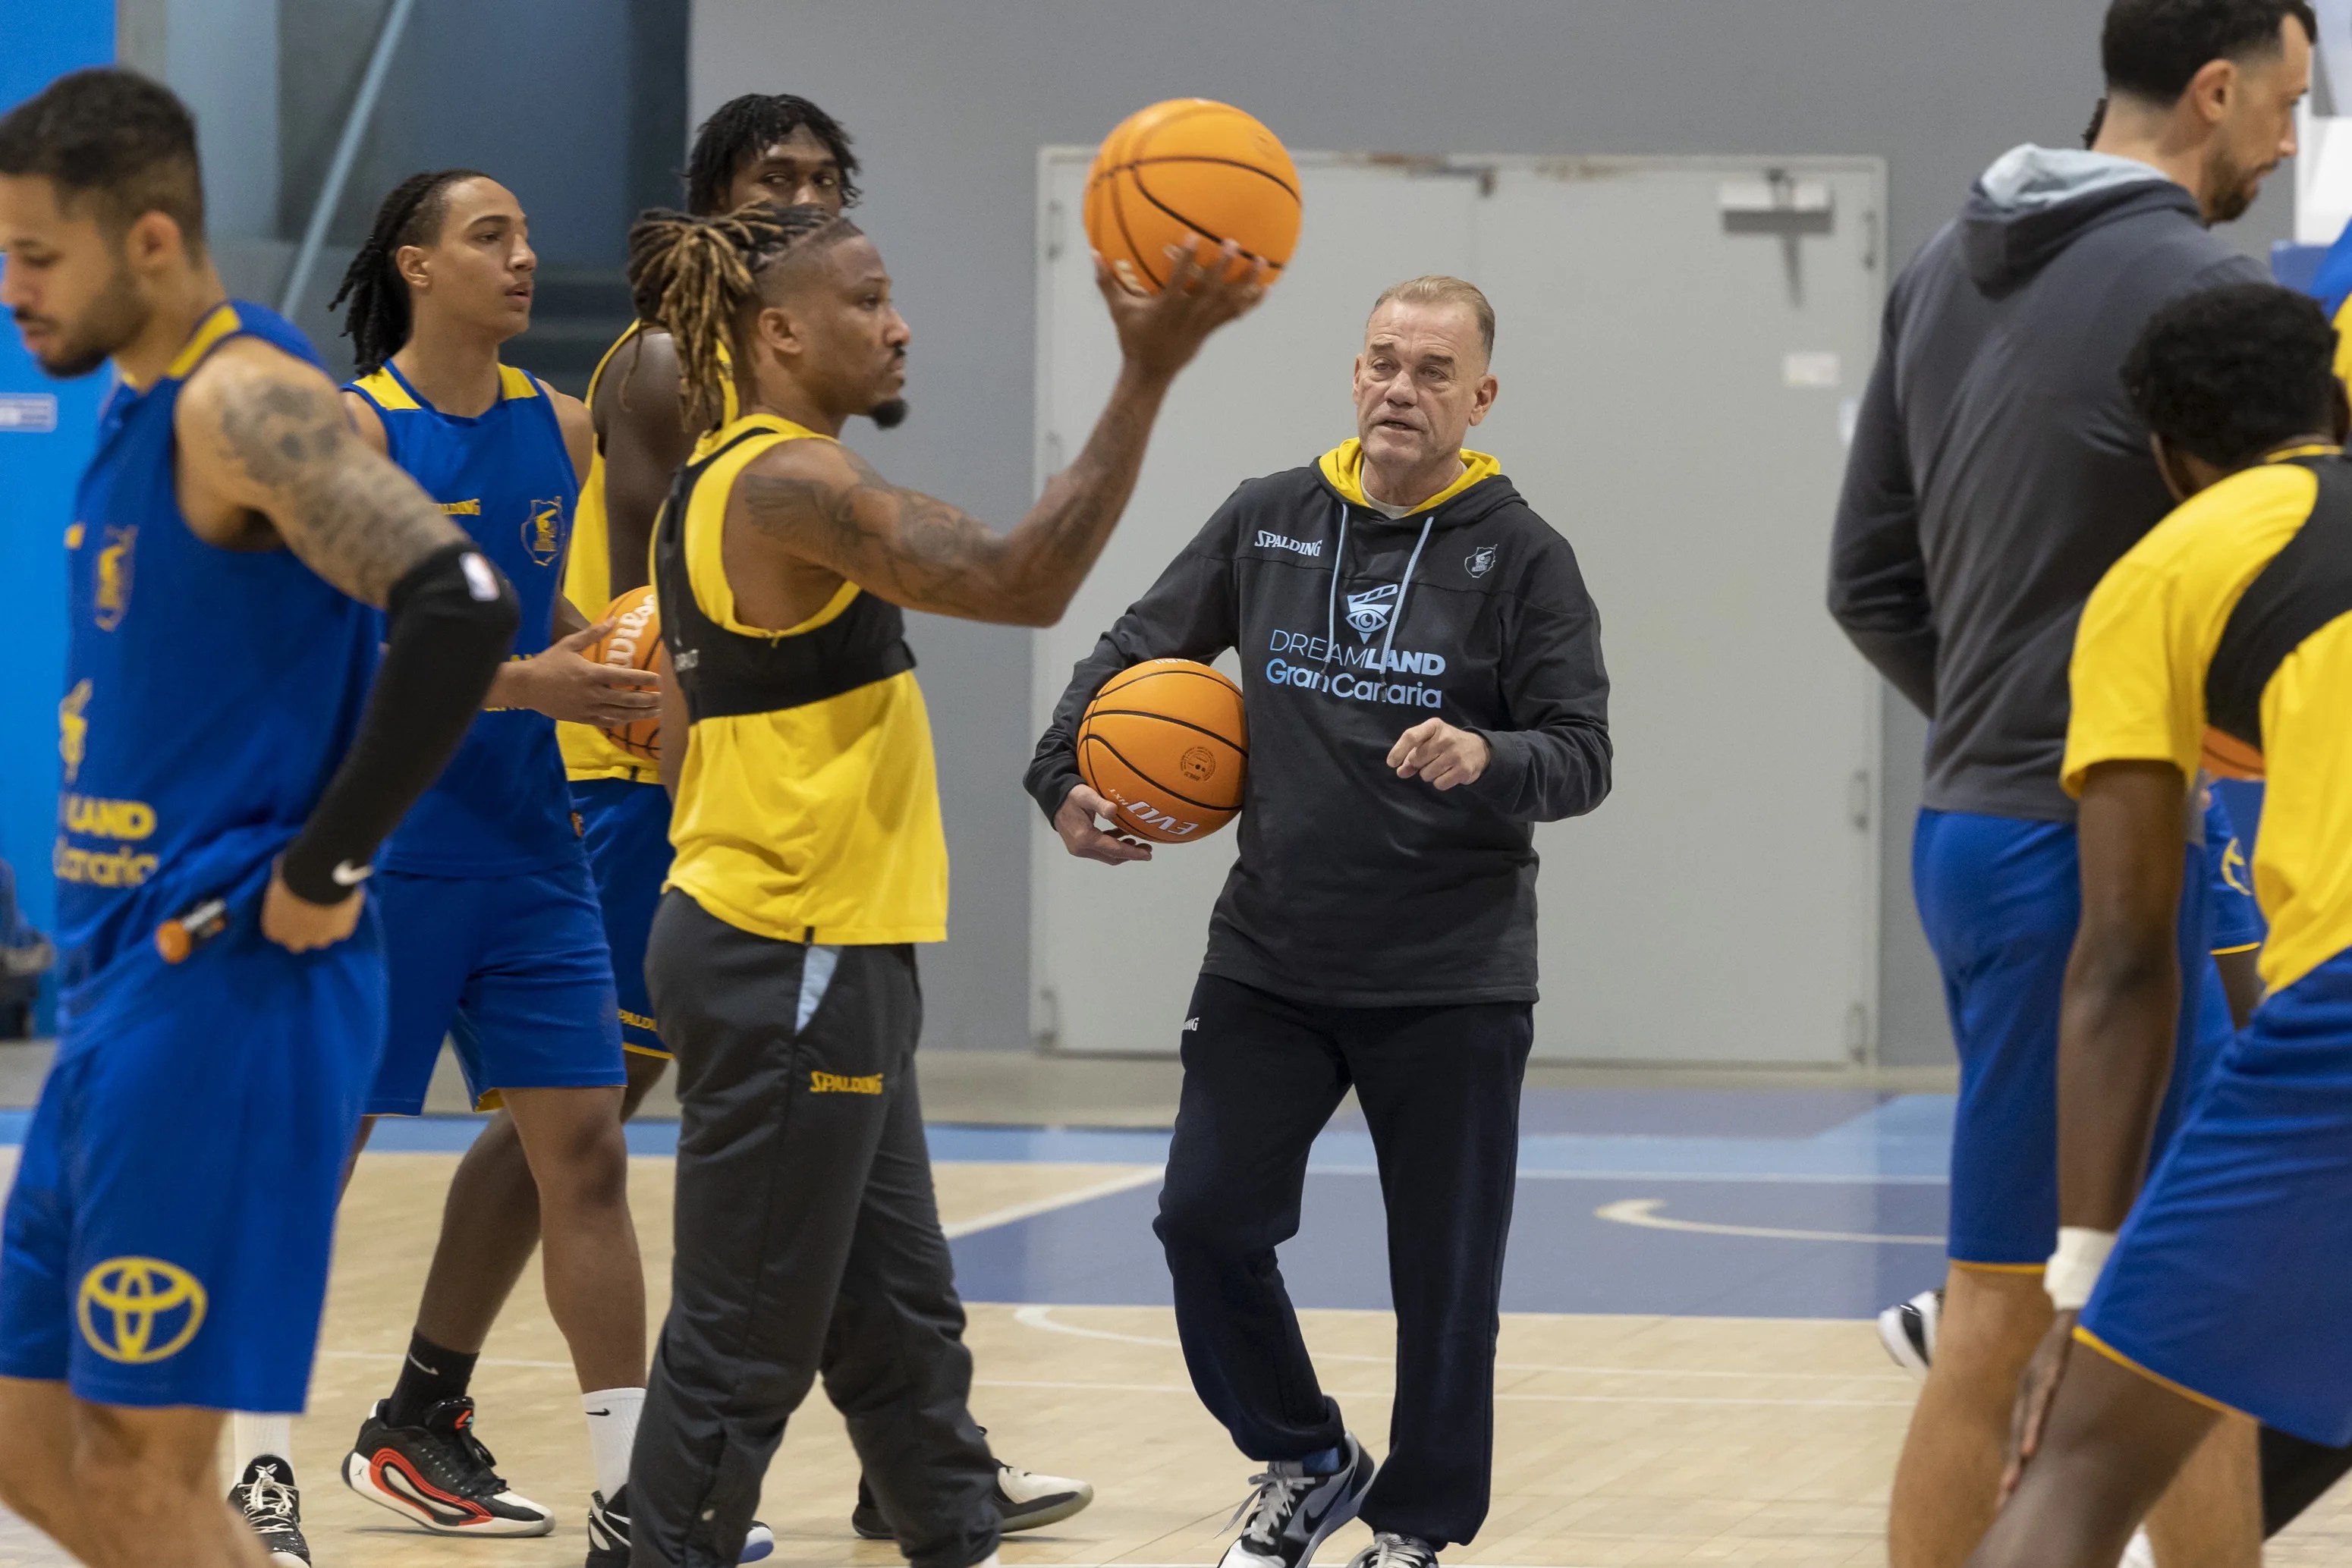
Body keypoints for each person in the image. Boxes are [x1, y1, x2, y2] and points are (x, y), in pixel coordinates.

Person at [388, 93, 1093, 1545]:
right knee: (580, 1130)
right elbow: (683, 597)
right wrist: (657, 724)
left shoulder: (745, 402)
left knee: (658, 1155)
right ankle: (431, 1409)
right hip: (652, 786)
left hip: (735, 807)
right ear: (722, 217)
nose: (808, 198)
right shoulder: (672, 378)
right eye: (779, 184)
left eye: (827, 181)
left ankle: (916, 1474)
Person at [618, 200, 1258, 1566]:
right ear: (780, 330)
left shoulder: (722, 486)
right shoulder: (788, 485)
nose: (899, 324)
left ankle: (951, 1538)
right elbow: (1025, 581)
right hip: (788, 948)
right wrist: (1147, 372)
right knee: (744, 1349)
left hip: (813, 946)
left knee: (903, 1336)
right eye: (868, 300)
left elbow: (680, 734)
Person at [0, 68, 517, 1568]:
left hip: (228, 988)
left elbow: (460, 600)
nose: (13, 286)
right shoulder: (138, 405)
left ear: (149, 239)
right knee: (35, 1446)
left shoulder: (246, 398)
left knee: (150, 1475)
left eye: (38, 254)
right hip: (117, 995)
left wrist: (327, 858)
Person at [1826, 2, 2310, 1562]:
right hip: (2083, 860)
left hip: (1978, 823)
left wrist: (1994, 718)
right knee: (2000, 1310)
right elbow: (2283, 572)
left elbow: (1863, 580)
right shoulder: (2195, 290)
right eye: (2284, 107)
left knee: (2190, 1305)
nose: (2287, 142)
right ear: (2215, 90)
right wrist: (2085, 741)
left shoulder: (1931, 272)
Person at [1028, 275, 1610, 1568]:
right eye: (1383, 363)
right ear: (1355, 375)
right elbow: (1131, 653)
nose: (1402, 388)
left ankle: (1416, 1529)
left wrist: (1489, 756)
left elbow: (1583, 755)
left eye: (1433, 371)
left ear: (1480, 397)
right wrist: (1060, 774)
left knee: (1446, 1285)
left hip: (1452, 977)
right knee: (1203, 1221)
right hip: (1271, 960)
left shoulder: (1523, 556)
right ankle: (1304, 1454)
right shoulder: (1270, 518)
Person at [1967, 280, 2352, 1565]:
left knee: (2073, 1465)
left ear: (2168, 455)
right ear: (2335, 405)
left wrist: (2081, 1276)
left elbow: (2129, 952)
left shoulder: (2165, 572)